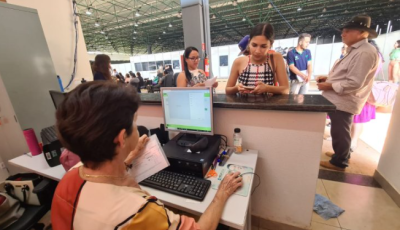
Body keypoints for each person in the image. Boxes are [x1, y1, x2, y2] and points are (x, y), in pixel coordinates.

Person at [51, 81, 243, 229]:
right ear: (120, 138)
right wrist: (222, 193)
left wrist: (128, 158)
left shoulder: (68, 180)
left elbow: (105, 177)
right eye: (134, 123)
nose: (137, 128)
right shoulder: (138, 212)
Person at [317, 15, 379, 171]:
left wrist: (329, 85)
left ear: (362, 33)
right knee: (338, 130)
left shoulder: (364, 52)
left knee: (340, 130)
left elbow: (354, 82)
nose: (343, 34)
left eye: (348, 31)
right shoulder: (357, 50)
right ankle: (341, 154)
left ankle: (340, 162)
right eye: (343, 31)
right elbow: (347, 74)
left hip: (345, 100)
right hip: (340, 99)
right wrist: (329, 78)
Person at [225, 23, 289, 95]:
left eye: (263, 46)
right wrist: (237, 88)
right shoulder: (238, 62)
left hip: (267, 105)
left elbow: (285, 89)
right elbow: (228, 90)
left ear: (270, 44)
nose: (257, 51)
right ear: (249, 42)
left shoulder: (276, 58)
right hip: (244, 106)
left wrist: (267, 88)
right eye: (254, 45)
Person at [350, 40, 384, 151]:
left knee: (356, 119)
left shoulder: (369, 57)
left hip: (362, 92)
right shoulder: (379, 57)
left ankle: (352, 142)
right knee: (356, 120)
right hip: (366, 92)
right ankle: (352, 142)